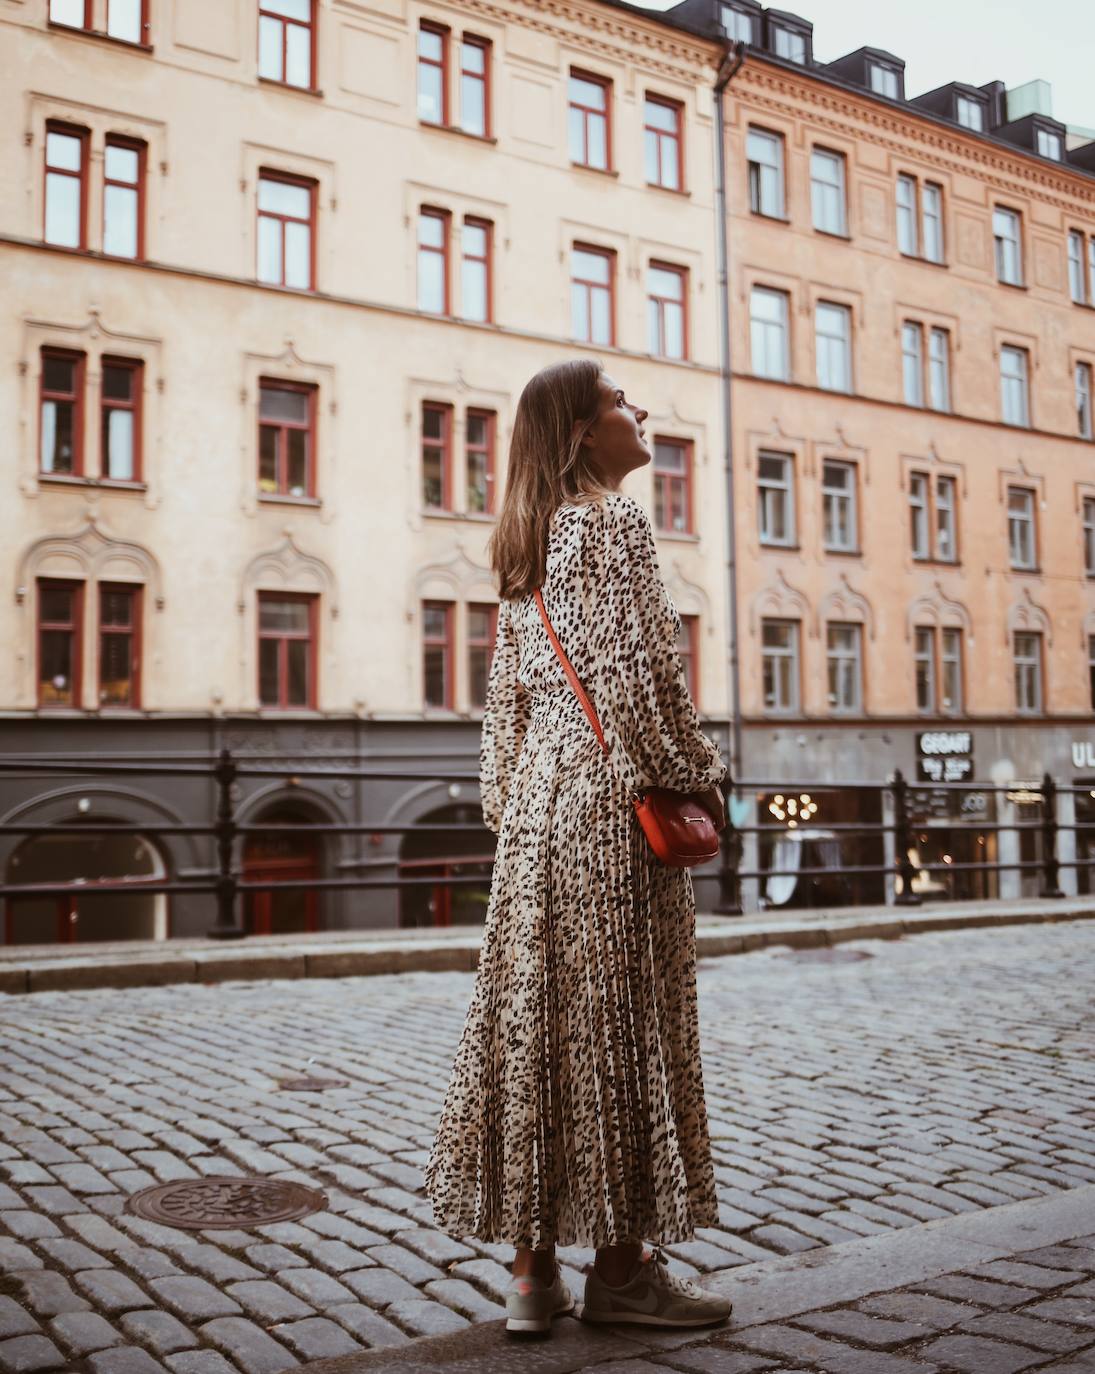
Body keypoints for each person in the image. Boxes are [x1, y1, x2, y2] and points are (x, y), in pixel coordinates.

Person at [422, 359, 732, 1337]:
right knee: (618, 1029)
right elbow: (642, 678)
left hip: (536, 815)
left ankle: (530, 1281)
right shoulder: (614, 524)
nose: (640, 411)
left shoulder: (523, 544)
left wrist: (513, 811)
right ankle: (625, 1273)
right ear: (580, 435)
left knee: (533, 1029)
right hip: (609, 804)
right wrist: (698, 770)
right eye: (619, 402)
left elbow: (504, 707)